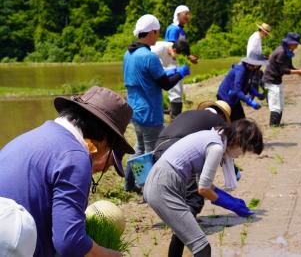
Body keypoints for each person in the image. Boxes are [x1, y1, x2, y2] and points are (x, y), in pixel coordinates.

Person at [0, 86, 135, 257]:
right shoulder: (75, 157)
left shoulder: (35, 136)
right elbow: (70, 243)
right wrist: (112, 255)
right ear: (105, 141)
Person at [144, 119, 264, 257]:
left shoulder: (213, 136)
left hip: (157, 181)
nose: (240, 155)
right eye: (244, 150)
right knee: (202, 247)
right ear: (238, 141)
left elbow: (204, 183)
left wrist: (230, 199)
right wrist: (231, 204)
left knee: (182, 234)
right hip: (164, 185)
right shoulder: (216, 148)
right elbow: (203, 189)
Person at [151, 100, 235, 257]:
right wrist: (234, 172)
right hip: (176, 154)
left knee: (179, 197)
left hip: (159, 149)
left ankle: (180, 228)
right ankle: (181, 238)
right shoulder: (219, 123)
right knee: (194, 199)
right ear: (223, 115)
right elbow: (226, 151)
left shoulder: (191, 114)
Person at [123, 14, 190, 192]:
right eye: (158, 33)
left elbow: (152, 76)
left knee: (139, 148)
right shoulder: (150, 57)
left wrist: (172, 70)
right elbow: (165, 84)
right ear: (151, 32)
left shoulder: (129, 54)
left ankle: (129, 184)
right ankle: (147, 189)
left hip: (134, 109)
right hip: (149, 111)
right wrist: (181, 73)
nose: (158, 36)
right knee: (152, 152)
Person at [262, 32, 301, 127]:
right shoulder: (281, 52)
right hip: (270, 81)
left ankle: (276, 125)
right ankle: (273, 126)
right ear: (290, 43)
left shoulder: (287, 52)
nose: (296, 46)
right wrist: (299, 72)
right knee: (275, 105)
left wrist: (300, 72)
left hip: (277, 81)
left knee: (281, 105)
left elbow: (290, 67)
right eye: (296, 44)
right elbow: (283, 70)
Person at [164, 5, 198, 118]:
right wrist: (186, 57)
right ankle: (175, 117)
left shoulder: (181, 30)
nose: (188, 16)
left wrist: (189, 56)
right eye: (186, 14)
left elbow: (182, 48)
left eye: (188, 14)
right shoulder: (173, 29)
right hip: (172, 63)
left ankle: (173, 113)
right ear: (178, 15)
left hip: (178, 63)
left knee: (177, 90)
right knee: (175, 90)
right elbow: (171, 48)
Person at [217, 56, 267, 121]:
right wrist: (249, 101)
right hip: (225, 98)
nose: (260, 66)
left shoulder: (250, 70)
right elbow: (237, 90)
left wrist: (257, 94)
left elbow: (248, 85)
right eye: (258, 64)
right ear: (252, 64)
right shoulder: (241, 70)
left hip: (234, 97)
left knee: (241, 120)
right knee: (228, 120)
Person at [151, 39, 191, 119]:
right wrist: (169, 72)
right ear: (174, 50)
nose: (177, 59)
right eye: (178, 56)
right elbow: (150, 66)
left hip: (161, 69)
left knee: (177, 86)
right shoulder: (157, 49)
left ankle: (175, 113)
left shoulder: (176, 52)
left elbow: (174, 81)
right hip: (147, 73)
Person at [246, 23, 271, 93]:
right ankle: (251, 100)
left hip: (254, 63)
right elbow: (252, 52)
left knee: (261, 79)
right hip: (253, 64)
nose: (266, 36)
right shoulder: (256, 38)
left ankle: (266, 95)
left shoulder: (257, 37)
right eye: (266, 34)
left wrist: (264, 57)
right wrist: (264, 57)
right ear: (262, 31)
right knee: (255, 83)